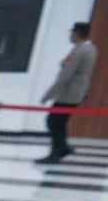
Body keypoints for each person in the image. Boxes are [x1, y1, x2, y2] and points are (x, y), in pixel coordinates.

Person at [38, 21, 98, 164]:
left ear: (76, 34)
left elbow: (66, 75)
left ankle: (56, 152)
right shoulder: (91, 48)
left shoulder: (78, 51)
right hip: (79, 92)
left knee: (54, 122)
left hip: (68, 93)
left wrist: (49, 94)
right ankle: (63, 147)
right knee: (60, 121)